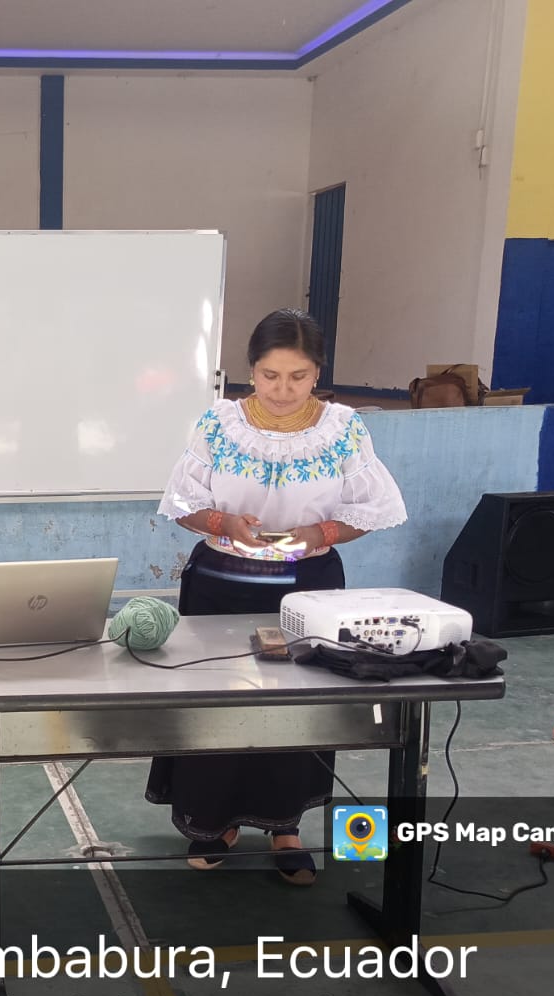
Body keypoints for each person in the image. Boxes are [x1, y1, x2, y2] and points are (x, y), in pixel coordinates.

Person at [146, 308, 407, 882]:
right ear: (251, 371)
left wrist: (322, 532)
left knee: (297, 708)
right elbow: (183, 504)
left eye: (298, 376)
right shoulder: (218, 423)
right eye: (269, 375)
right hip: (220, 585)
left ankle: (285, 825)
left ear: (318, 373)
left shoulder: (344, 428)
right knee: (217, 704)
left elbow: (372, 508)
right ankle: (213, 821)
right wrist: (223, 523)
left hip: (308, 588)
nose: (283, 390)